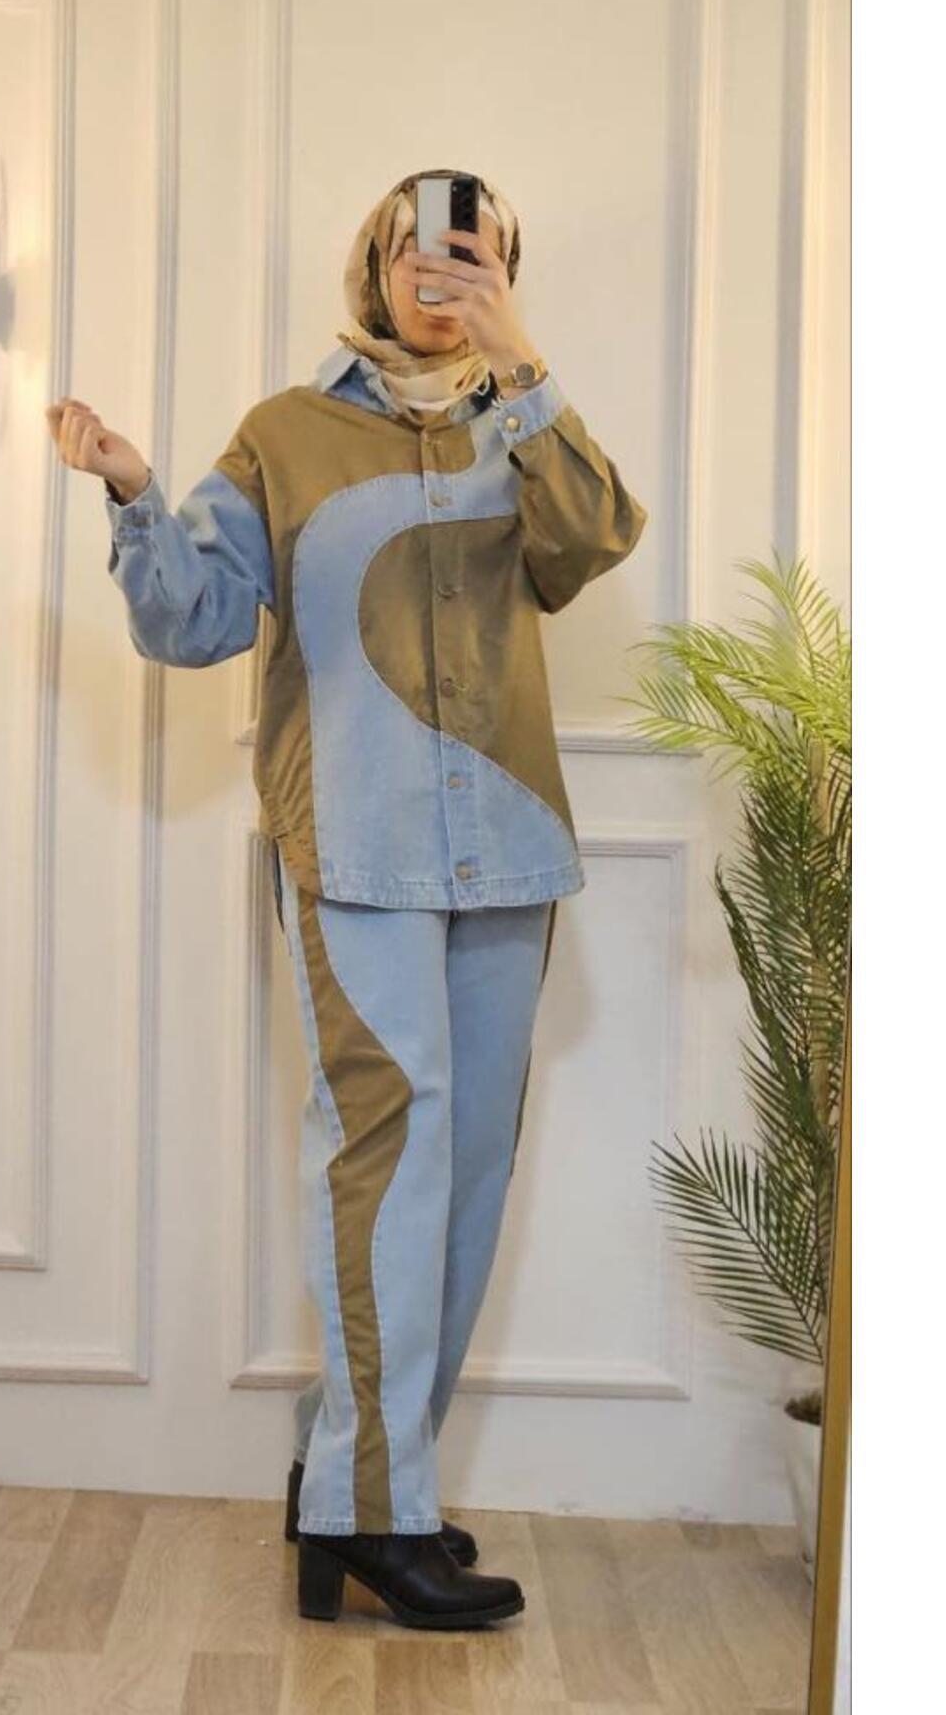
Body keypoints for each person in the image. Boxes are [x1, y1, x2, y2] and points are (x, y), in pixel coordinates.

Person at [45, 167, 648, 1631]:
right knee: (387, 1165)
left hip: (505, 849)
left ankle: (361, 1482)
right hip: (356, 848)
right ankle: (376, 1511)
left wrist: (520, 359)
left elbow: (589, 544)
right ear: (371, 266)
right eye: (415, 250)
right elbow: (192, 623)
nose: (439, 274)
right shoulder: (285, 435)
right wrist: (134, 490)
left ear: (503, 270)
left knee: (471, 1171)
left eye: (474, 253)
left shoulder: (524, 426)